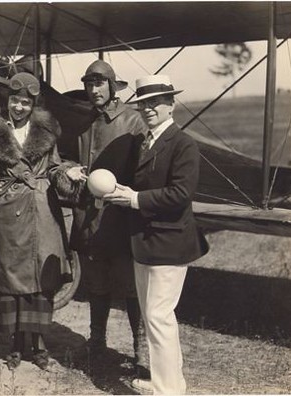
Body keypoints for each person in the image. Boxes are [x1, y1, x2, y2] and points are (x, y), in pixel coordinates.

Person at [103, 75, 209, 394]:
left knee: (158, 315)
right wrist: (125, 191)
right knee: (155, 318)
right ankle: (169, 381)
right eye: (142, 104)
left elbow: (180, 193)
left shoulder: (183, 144)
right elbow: (147, 185)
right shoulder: (145, 141)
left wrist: (134, 199)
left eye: (154, 103)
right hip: (146, 241)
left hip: (170, 242)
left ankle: (168, 390)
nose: (147, 109)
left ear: (171, 104)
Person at [0, 72, 71, 371]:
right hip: (8, 212)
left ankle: (38, 346)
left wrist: (68, 174)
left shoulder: (46, 130)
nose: (19, 107)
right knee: (9, 280)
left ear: (33, 104)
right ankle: (13, 344)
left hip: (41, 210)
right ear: (7, 101)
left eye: (25, 102)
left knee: (40, 282)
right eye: (15, 101)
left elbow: (54, 167)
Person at [52, 60, 148, 365]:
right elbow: (63, 159)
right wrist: (70, 170)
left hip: (119, 216)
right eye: (89, 85)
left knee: (131, 286)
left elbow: (145, 167)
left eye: (99, 84)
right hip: (88, 216)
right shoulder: (84, 122)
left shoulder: (133, 121)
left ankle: (141, 348)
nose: (94, 90)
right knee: (96, 283)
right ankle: (97, 342)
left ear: (112, 85)